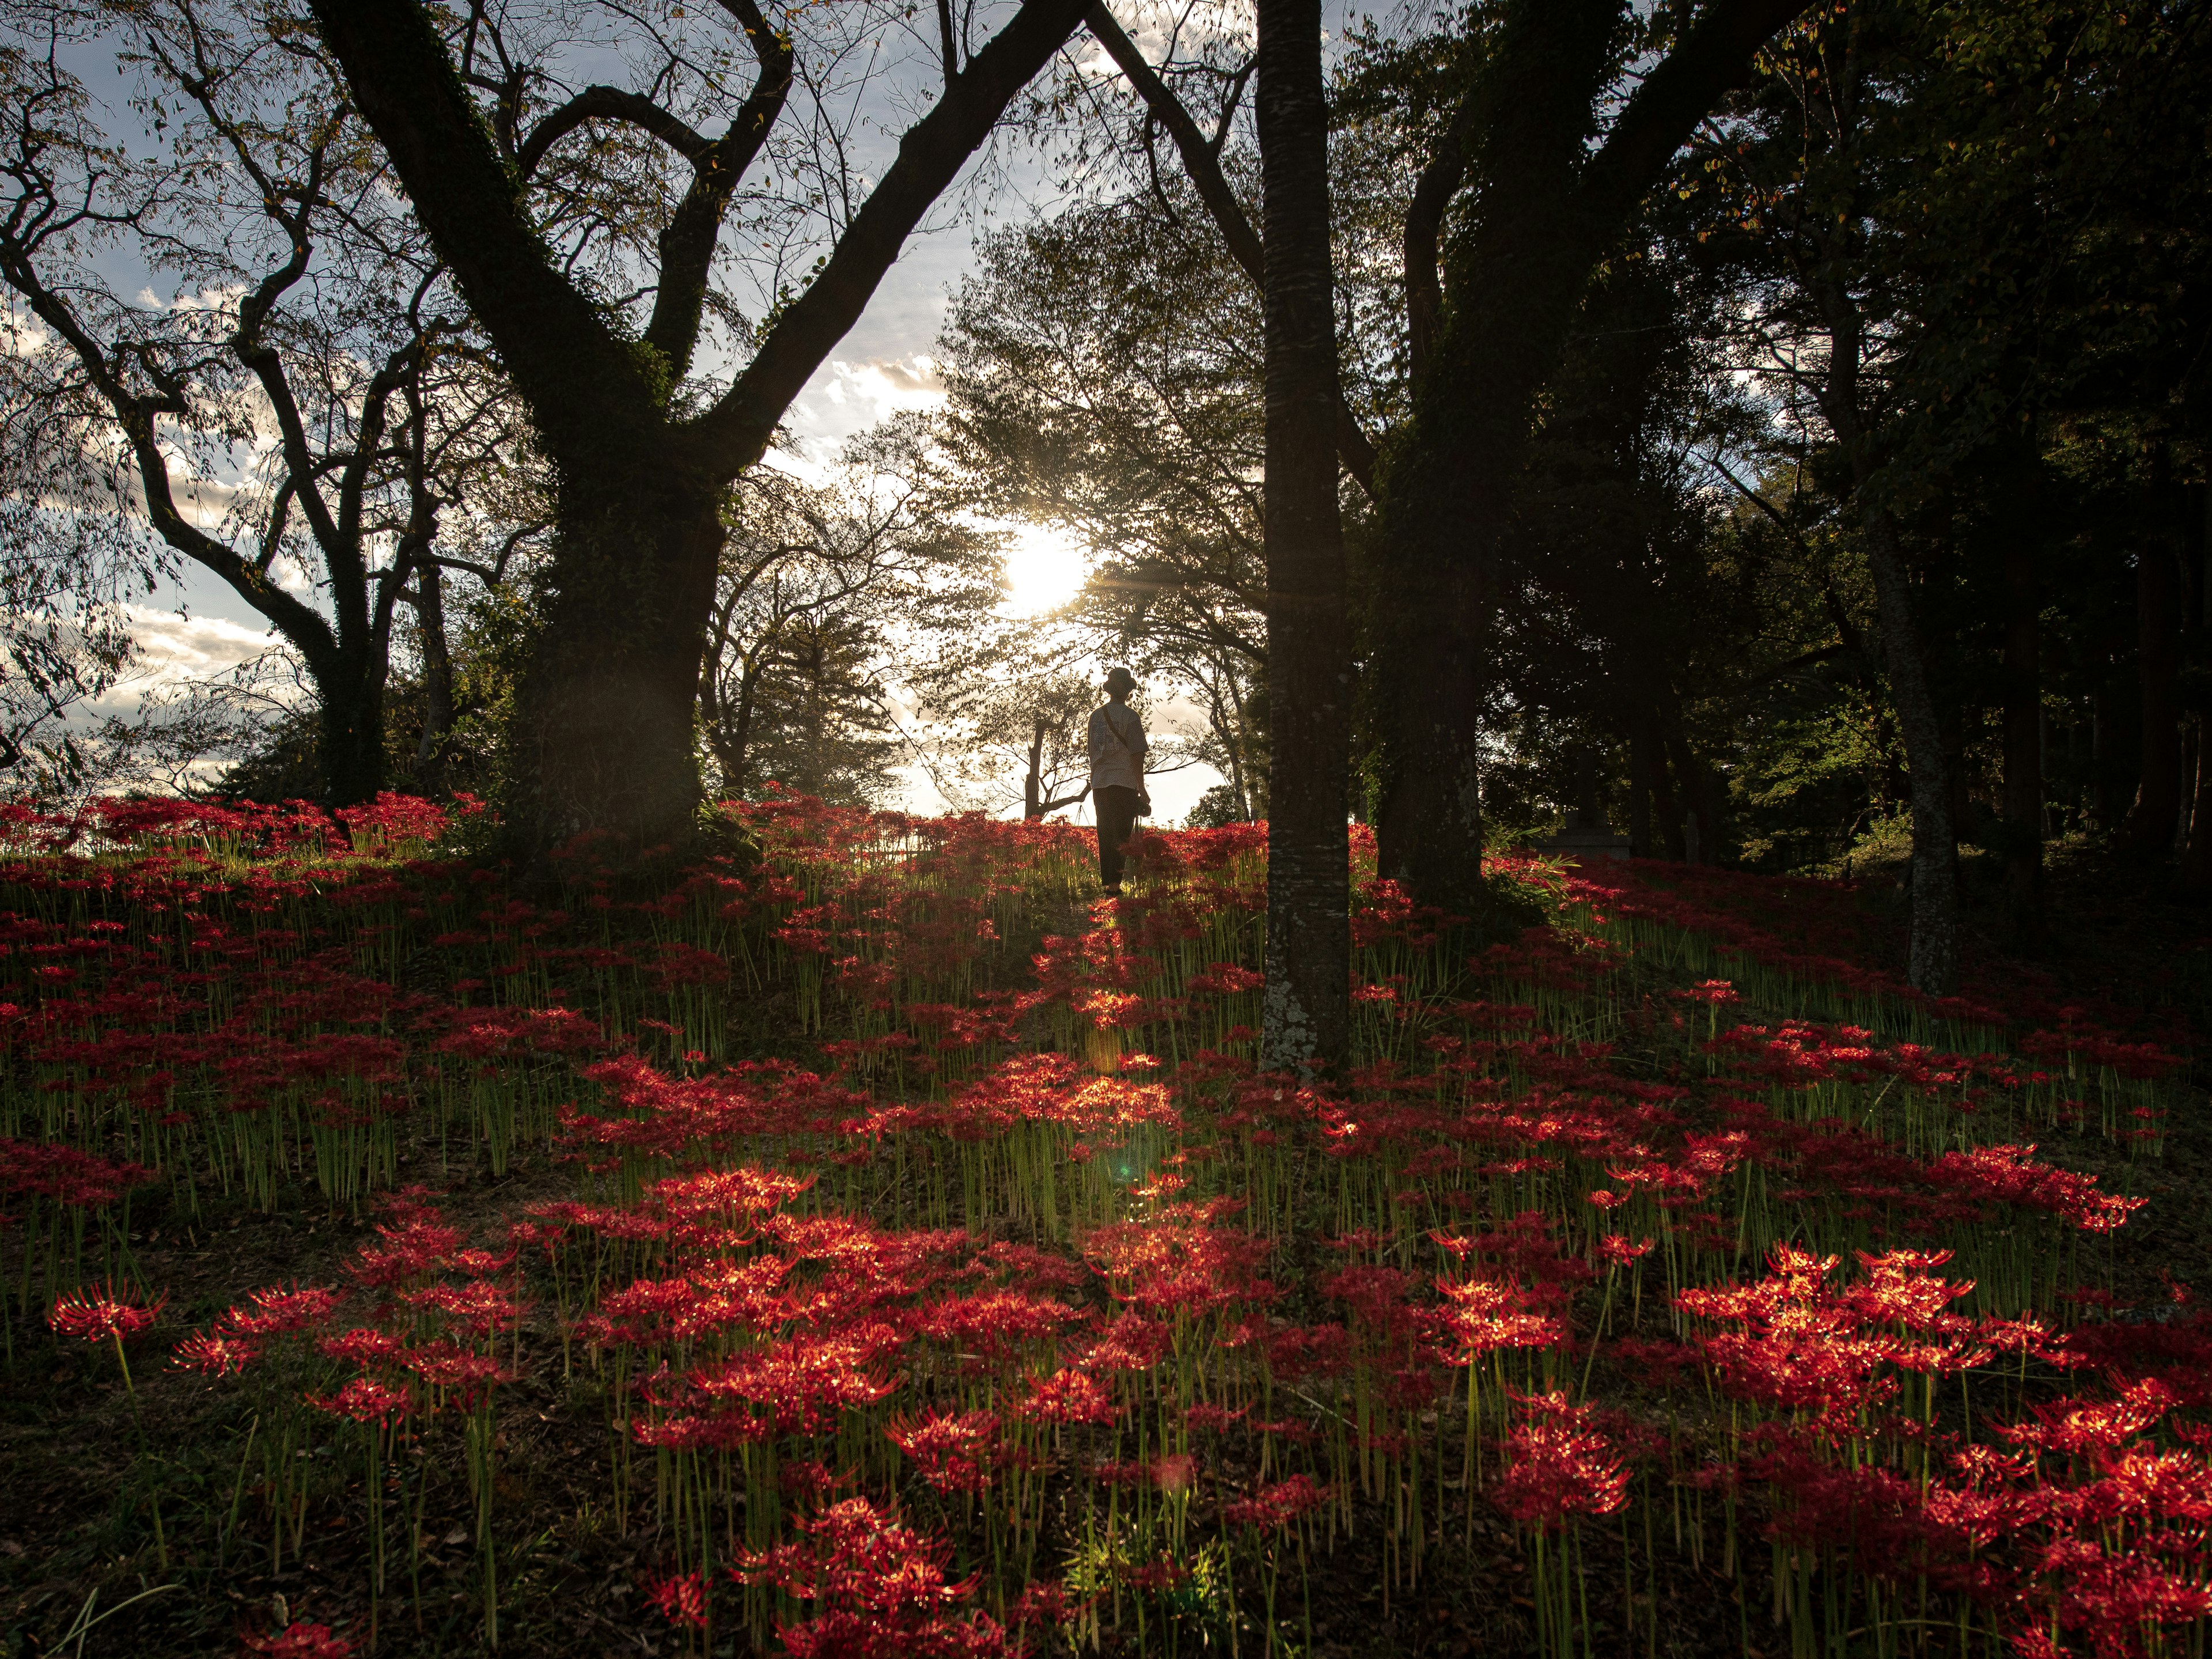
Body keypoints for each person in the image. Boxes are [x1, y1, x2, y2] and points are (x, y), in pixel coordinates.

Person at [1086, 666, 1150, 893]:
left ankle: (1109, 885)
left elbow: (1092, 751)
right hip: (1124, 781)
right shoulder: (1131, 717)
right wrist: (1141, 788)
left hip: (1100, 782)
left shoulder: (1095, 717)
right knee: (1123, 833)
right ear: (1128, 692)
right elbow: (1137, 754)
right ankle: (1115, 885)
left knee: (1105, 831)